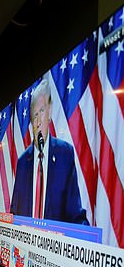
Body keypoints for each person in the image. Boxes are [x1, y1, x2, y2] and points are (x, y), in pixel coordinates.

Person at [10, 78, 88, 224]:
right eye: (35, 115)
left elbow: (75, 215)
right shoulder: (22, 162)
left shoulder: (65, 155)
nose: (38, 122)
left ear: (50, 111)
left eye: (42, 111)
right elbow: (15, 213)